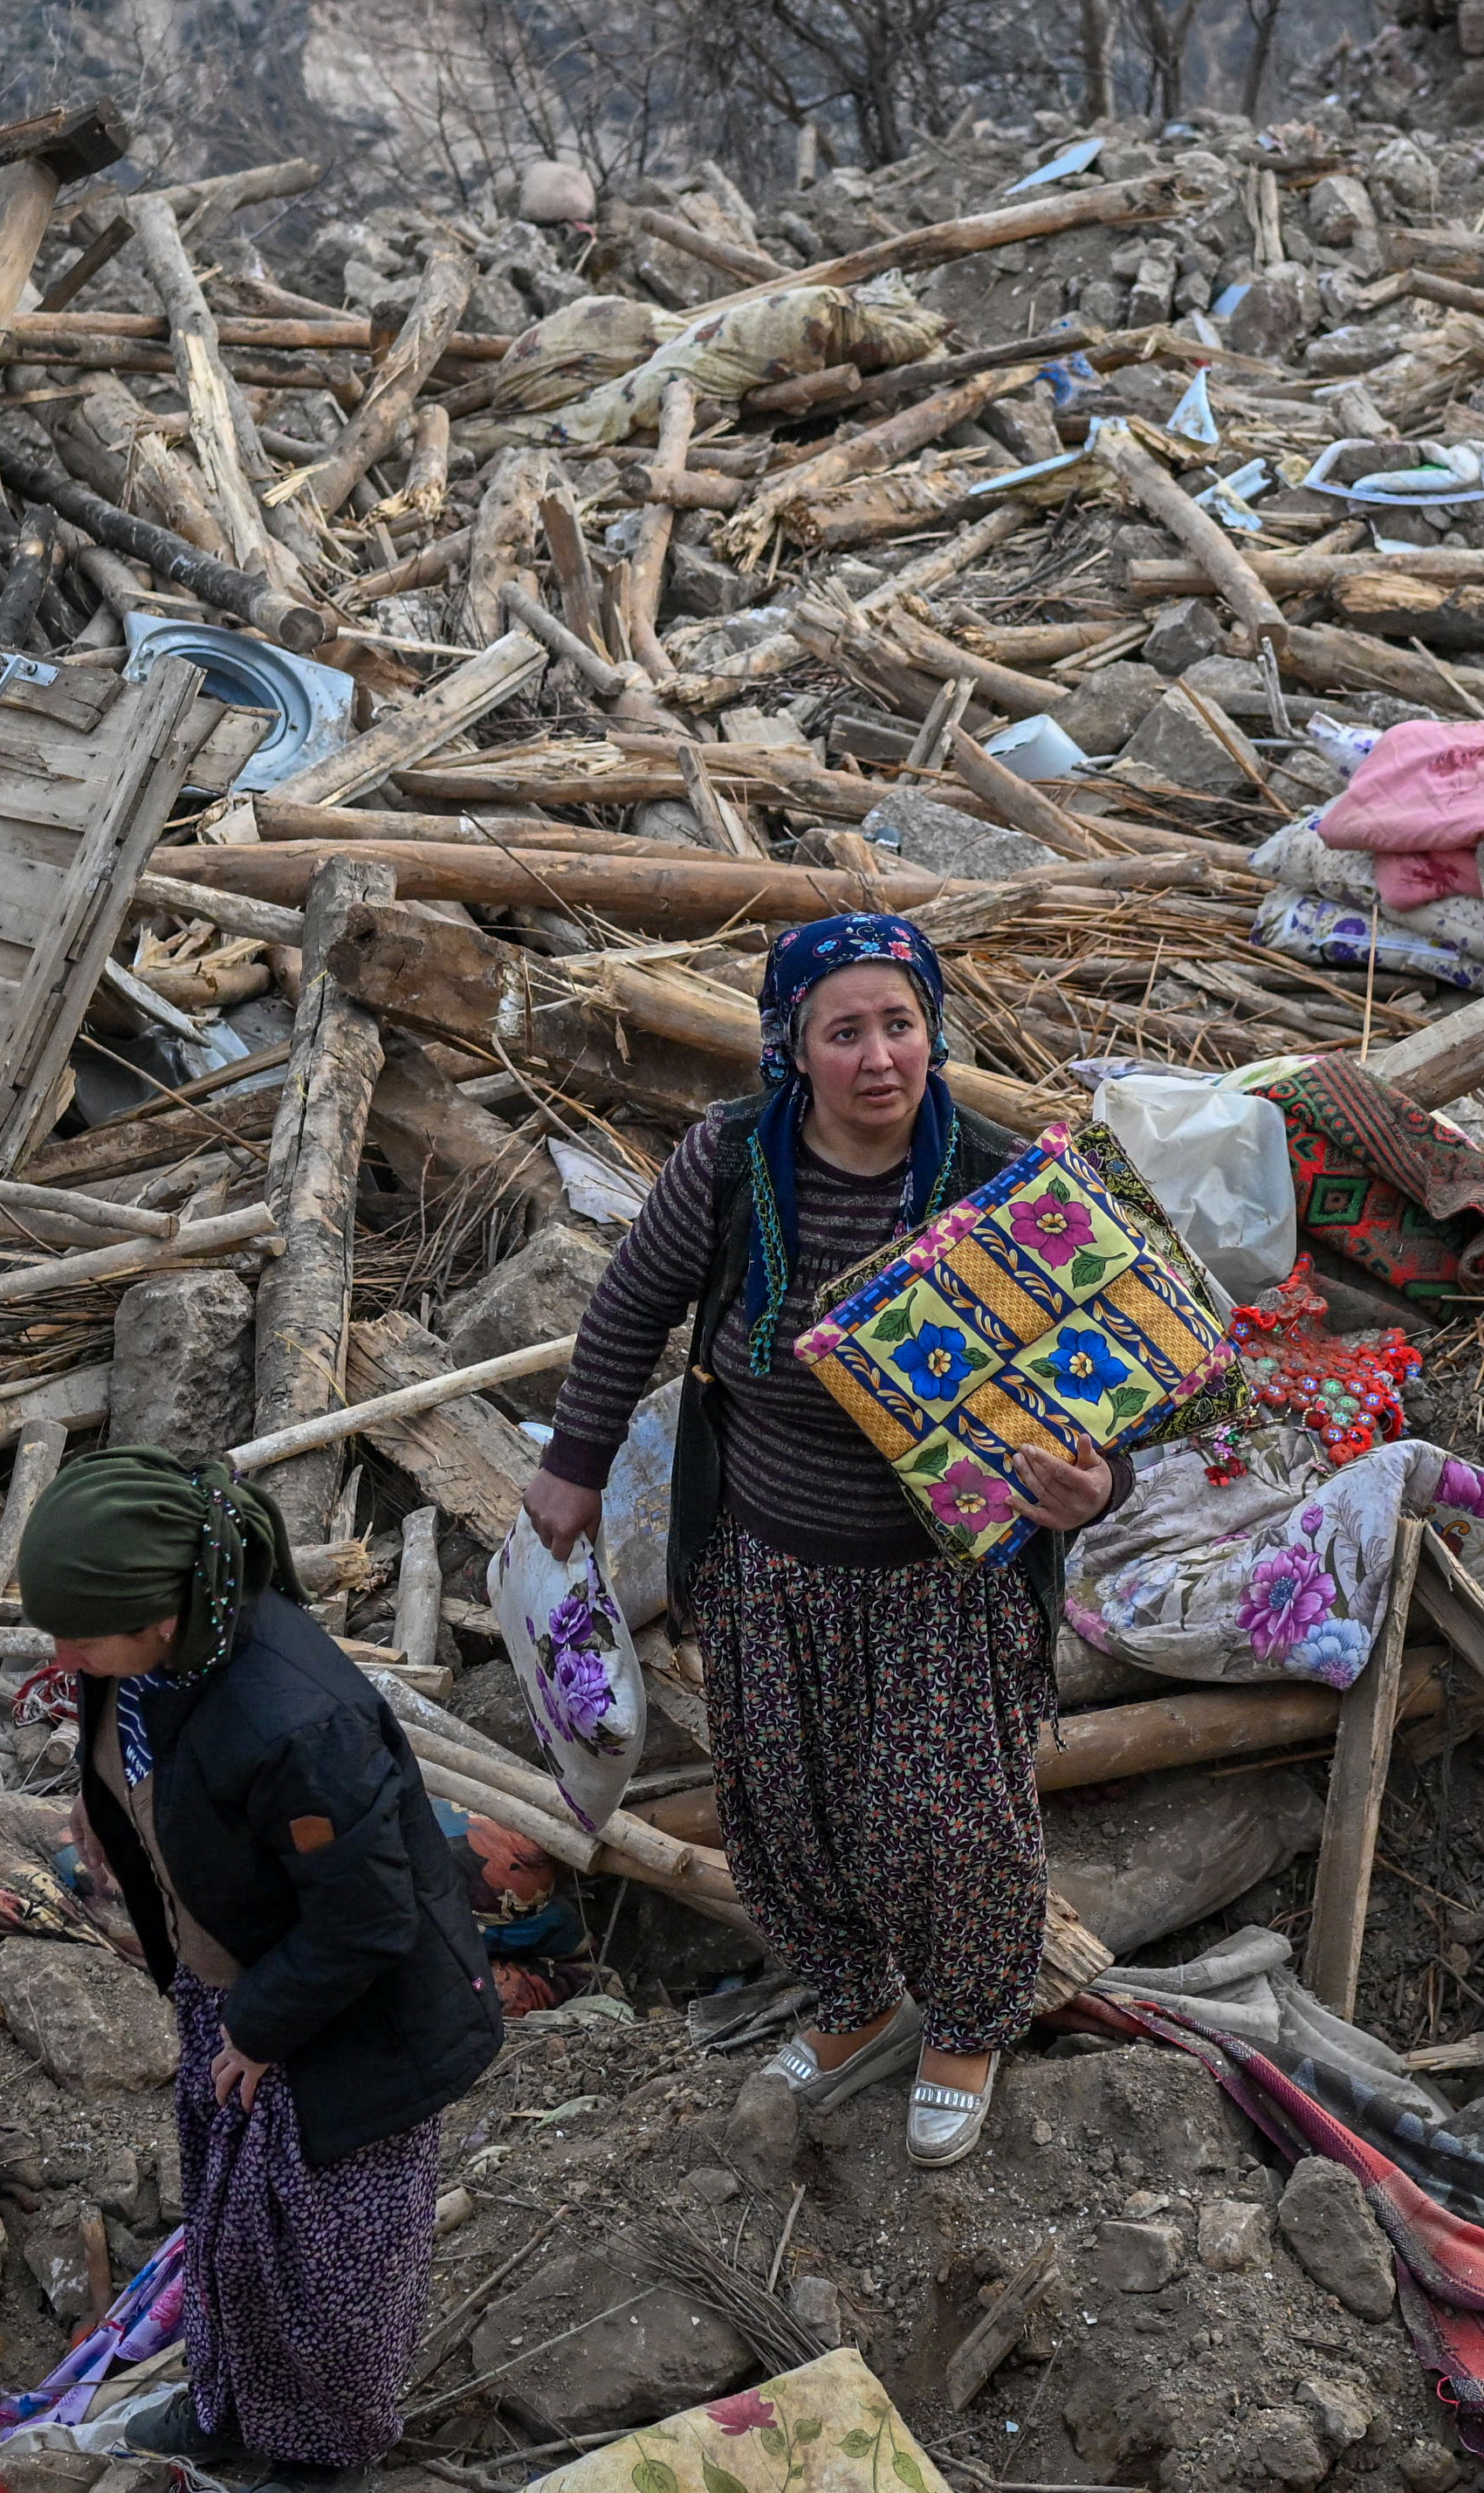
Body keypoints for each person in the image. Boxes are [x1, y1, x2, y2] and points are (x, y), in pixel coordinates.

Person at [523, 912, 1118, 2167]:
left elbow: (1105, 1387)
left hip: (943, 1582)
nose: (879, 1057)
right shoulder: (736, 1162)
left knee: (946, 1821)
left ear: (932, 1031)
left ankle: (964, 2020)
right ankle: (850, 2002)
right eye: (843, 1031)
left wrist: (1091, 1486)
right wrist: (571, 1465)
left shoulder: (1001, 1182)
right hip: (768, 1560)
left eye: (899, 1024)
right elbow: (632, 1303)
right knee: (784, 1812)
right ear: (792, 1047)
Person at [30, 1447, 500, 2486]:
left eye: (77, 1634)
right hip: (244, 1985)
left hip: (353, 2029)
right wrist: (108, 1809)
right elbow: (135, 1743)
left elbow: (369, 1917)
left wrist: (257, 2029)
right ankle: (228, 2408)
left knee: (323, 2268)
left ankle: (323, 2459)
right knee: (231, 2220)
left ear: (160, 1616)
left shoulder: (297, 1721)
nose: (59, 1654)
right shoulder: (161, 1659)